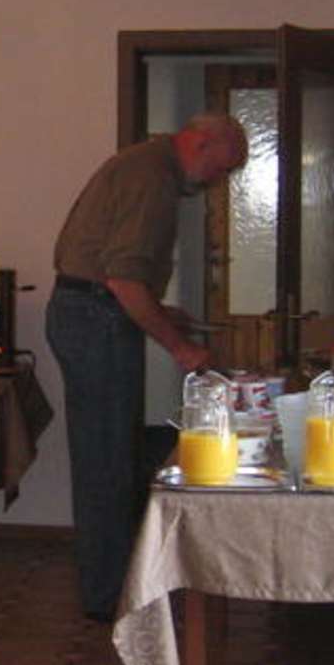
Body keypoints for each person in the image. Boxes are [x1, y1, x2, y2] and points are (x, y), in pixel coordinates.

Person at [46, 112, 250, 621]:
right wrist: (181, 347)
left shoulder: (146, 165)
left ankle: (114, 588)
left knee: (112, 456)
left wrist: (162, 315)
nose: (217, 181)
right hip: (94, 318)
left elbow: (115, 276)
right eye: (222, 168)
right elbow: (123, 281)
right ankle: (111, 598)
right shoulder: (152, 177)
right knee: (108, 463)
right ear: (200, 143)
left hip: (88, 312)